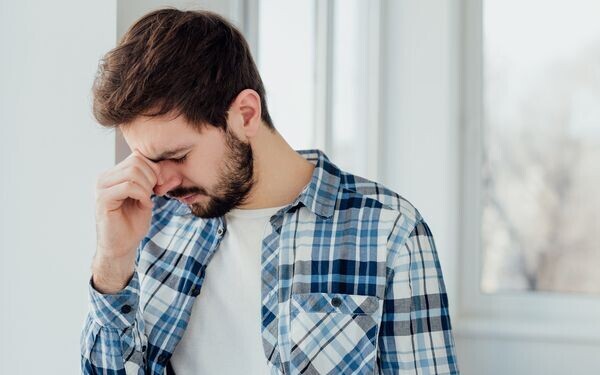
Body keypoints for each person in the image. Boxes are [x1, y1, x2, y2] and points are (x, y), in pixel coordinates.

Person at [80, 8, 459, 375]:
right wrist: (113, 261)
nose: (160, 183)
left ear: (245, 114)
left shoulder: (388, 230)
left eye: (177, 156)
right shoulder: (152, 225)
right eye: (147, 161)